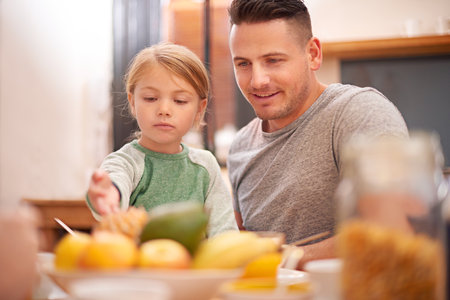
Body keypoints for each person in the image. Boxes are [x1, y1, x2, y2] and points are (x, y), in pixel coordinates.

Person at [226, 0, 409, 268]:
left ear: (312, 54)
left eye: (273, 60)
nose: (257, 81)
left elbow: (392, 229)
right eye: (243, 64)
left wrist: (282, 259)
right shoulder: (240, 145)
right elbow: (235, 244)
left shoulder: (358, 112)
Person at [86, 42, 238, 237]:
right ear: (132, 102)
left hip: (194, 267)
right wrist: (108, 195)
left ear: (200, 109)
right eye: (150, 98)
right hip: (137, 266)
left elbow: (224, 232)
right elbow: (115, 182)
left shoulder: (205, 166)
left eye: (180, 101)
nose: (164, 110)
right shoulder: (125, 162)